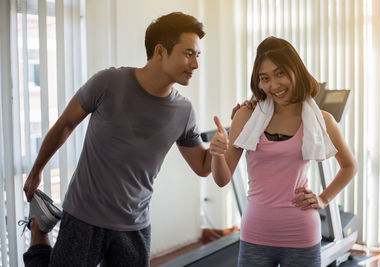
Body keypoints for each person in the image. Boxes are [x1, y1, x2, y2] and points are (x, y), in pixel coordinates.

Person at [21, 12, 213, 266]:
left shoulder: (184, 111)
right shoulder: (108, 82)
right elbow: (66, 124)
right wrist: (36, 172)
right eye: (189, 53)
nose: (196, 64)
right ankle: (38, 229)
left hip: (135, 225)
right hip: (84, 216)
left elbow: (202, 166)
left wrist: (232, 141)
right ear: (160, 51)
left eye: (197, 55)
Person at [209, 36, 357, 267]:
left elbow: (349, 166)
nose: (274, 85)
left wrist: (323, 198)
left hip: (301, 234)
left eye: (280, 74)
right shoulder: (246, 116)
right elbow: (222, 179)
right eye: (265, 78)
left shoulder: (322, 120)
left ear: (295, 71)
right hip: (255, 234)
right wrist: (217, 154)